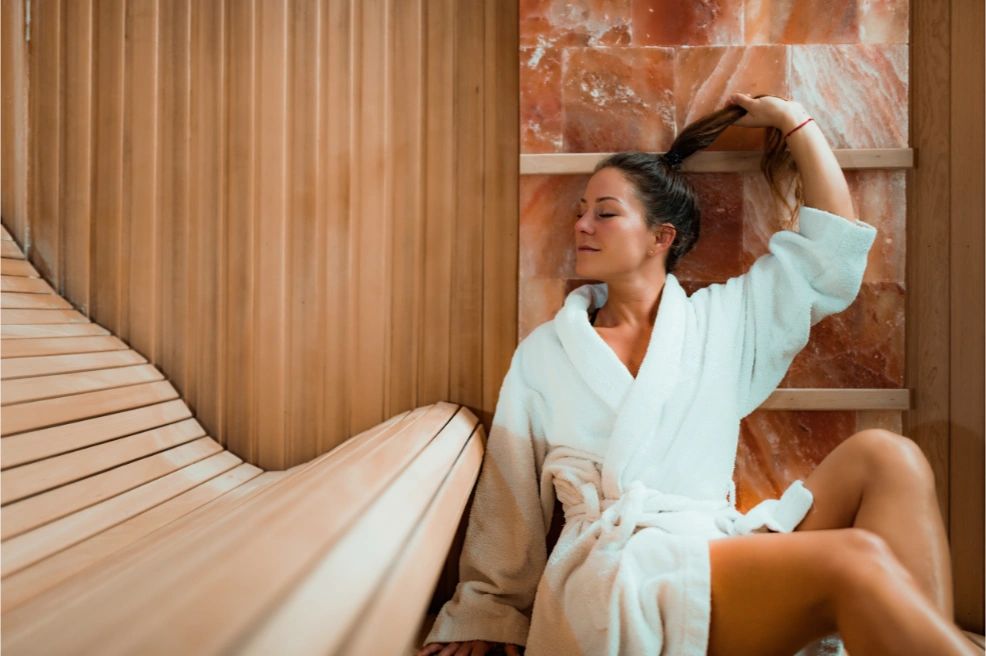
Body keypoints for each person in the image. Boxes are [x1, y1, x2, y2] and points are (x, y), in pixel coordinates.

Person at [417, 94, 979, 656]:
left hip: (713, 545)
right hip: (624, 573)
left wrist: (792, 123)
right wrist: (490, 611)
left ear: (660, 239)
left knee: (889, 455)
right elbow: (510, 497)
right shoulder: (546, 354)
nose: (582, 224)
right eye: (580, 210)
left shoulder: (722, 321)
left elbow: (828, 257)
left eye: (605, 212)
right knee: (857, 559)